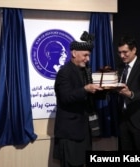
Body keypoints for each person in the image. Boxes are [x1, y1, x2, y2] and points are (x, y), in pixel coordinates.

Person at [53, 31, 103, 167]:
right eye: (85, 55)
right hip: (70, 133)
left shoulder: (85, 71)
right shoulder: (64, 72)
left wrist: (105, 90)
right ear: (74, 53)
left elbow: (89, 97)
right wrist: (85, 89)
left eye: (89, 56)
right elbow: (65, 97)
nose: (87, 59)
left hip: (84, 130)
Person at [116, 35, 140, 151]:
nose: (122, 56)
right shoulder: (119, 68)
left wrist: (130, 94)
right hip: (123, 119)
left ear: (134, 50)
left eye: (125, 52)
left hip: (139, 119)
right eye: (119, 53)